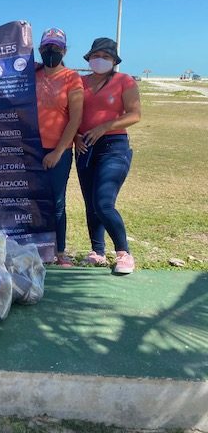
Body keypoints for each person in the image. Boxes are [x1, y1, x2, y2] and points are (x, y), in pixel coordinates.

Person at [75, 37, 141, 274]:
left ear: (114, 60)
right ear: (88, 58)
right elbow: (69, 115)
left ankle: (124, 253)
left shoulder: (124, 81)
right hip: (84, 147)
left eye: (105, 56)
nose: (99, 60)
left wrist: (105, 127)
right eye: (95, 56)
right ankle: (97, 252)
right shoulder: (79, 82)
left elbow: (135, 115)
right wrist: (75, 137)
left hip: (114, 146)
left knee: (103, 202)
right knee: (91, 203)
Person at [35, 27, 83, 267]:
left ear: (64, 50)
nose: (50, 51)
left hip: (58, 152)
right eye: (46, 47)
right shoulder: (32, 73)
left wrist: (58, 152)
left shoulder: (72, 78)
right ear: (39, 49)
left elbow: (75, 119)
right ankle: (35, 249)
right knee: (32, 200)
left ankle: (59, 251)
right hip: (31, 150)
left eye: (56, 47)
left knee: (56, 202)